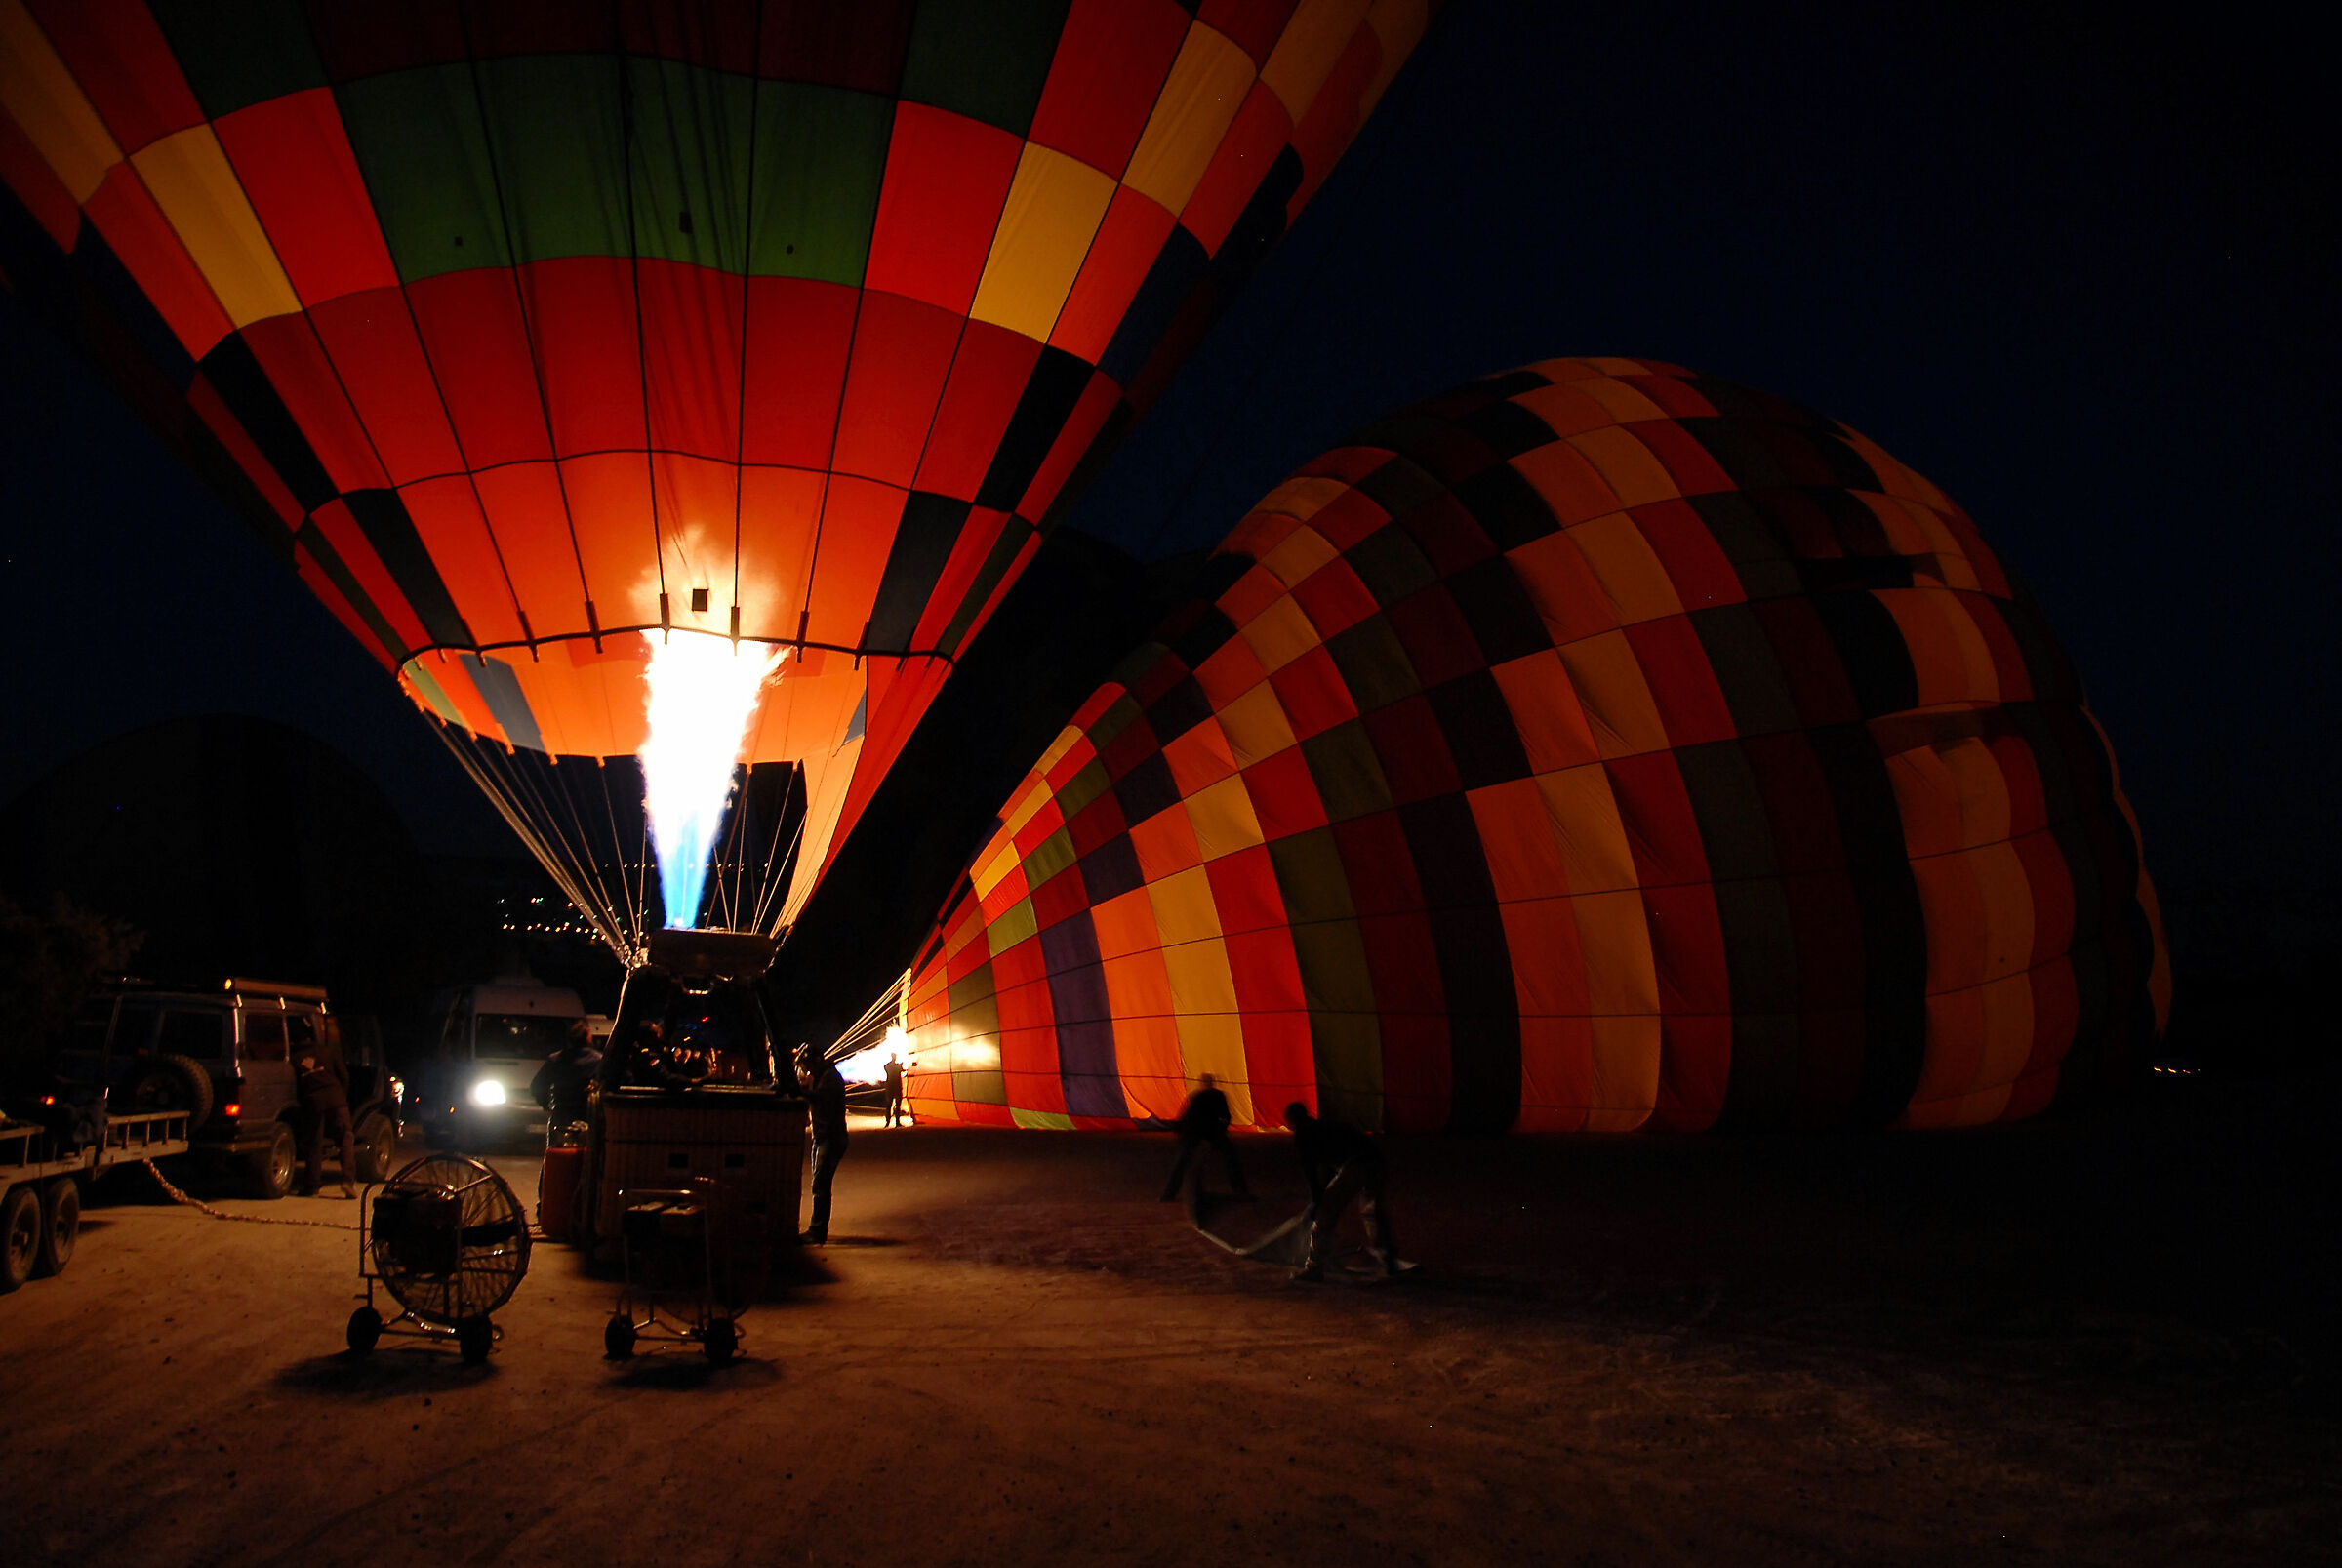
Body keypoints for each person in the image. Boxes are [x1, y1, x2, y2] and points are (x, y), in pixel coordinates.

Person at [1282, 1101, 1400, 1281]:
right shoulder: (1328, 1126)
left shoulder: (1303, 1135)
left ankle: (1314, 1267)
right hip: (1376, 1162)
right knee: (1372, 1214)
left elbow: (1312, 1171)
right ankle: (1389, 1262)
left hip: (1355, 1165)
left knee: (1325, 1216)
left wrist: (1317, 1201)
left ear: (1291, 1121)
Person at [293, 1016, 357, 1198]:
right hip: (336, 1099)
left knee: (315, 1144)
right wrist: (341, 1097)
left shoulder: (294, 1058)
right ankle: (347, 1181)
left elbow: (296, 1086)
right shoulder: (327, 1051)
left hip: (313, 1103)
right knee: (345, 1139)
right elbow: (344, 1076)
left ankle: (312, 1187)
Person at [1160, 1072, 1249, 1203]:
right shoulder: (1214, 1096)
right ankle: (1240, 1190)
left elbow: (1187, 1117)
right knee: (1230, 1157)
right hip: (1208, 1131)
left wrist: (1181, 1131)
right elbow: (1226, 1116)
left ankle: (1169, 1194)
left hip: (1199, 1132)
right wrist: (1221, 1130)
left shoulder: (1199, 1096)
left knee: (1183, 1160)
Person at [795, 1043, 847, 1244]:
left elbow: (821, 1098)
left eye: (809, 1065)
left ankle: (818, 1232)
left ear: (817, 1061)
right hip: (822, 1136)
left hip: (831, 1138)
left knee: (821, 1184)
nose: (808, 1069)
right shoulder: (821, 1076)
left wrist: (799, 1091)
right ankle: (817, 1229)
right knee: (819, 1183)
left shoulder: (830, 1078)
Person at [531, 1019, 601, 1128]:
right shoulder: (598, 1061)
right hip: (588, 1116)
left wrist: (545, 1105)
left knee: (558, 1143)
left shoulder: (555, 1060)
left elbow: (536, 1085)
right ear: (588, 1037)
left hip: (562, 1115)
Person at [882, 1054, 907, 1128]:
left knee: (889, 1105)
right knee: (898, 1105)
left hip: (889, 1086)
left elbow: (886, 1068)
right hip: (897, 1087)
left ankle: (888, 1122)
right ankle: (897, 1122)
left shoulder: (887, 1066)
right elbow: (902, 1070)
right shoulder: (897, 1066)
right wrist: (900, 1066)